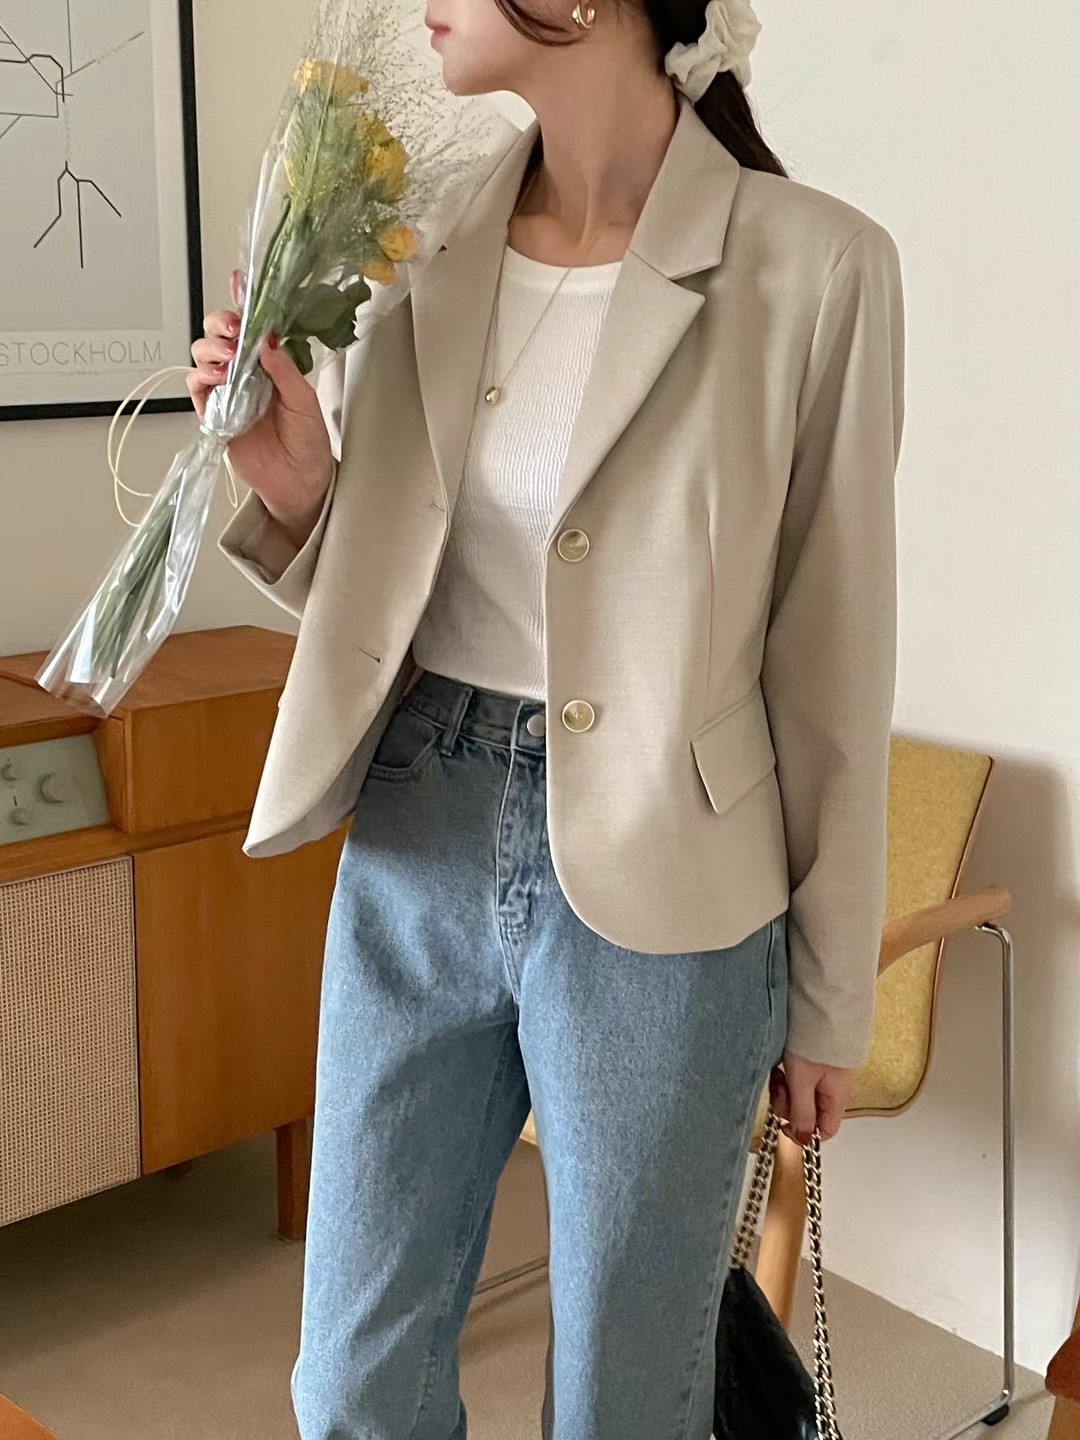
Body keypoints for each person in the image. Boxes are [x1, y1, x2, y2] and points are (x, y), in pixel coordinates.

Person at [192, 0, 905, 1433]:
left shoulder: (818, 266)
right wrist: (303, 494)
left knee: (620, 1402)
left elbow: (832, 661)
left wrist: (831, 994)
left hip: (668, 877)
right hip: (422, 823)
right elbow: (407, 586)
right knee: (350, 1382)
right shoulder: (424, 242)